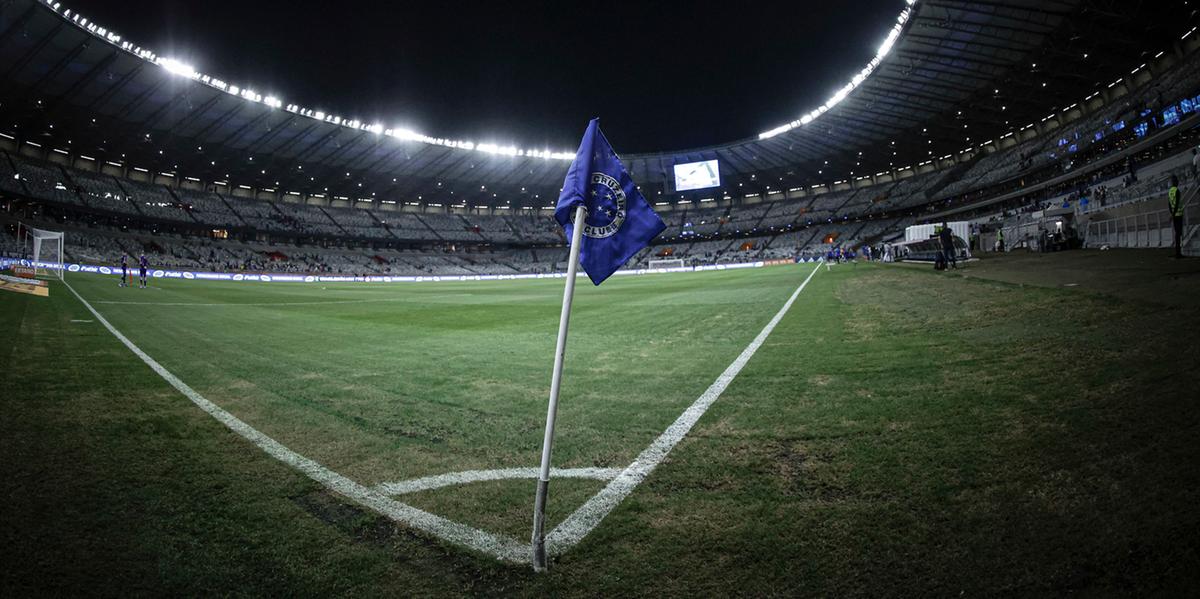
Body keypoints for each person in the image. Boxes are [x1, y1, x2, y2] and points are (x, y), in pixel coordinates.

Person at [1168, 175, 1183, 258]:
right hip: (1178, 214)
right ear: (1176, 182)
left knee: (1177, 233)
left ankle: (1177, 251)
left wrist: (1171, 214)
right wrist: (1173, 214)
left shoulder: (1170, 191)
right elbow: (1177, 203)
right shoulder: (1177, 191)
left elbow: (1169, 204)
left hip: (1174, 215)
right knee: (1178, 233)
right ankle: (1178, 252)